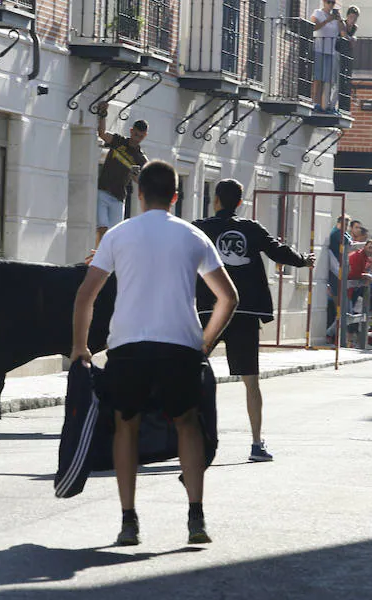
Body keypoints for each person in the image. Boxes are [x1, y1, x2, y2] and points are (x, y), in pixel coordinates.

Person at [71, 160, 238, 546]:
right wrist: (205, 343)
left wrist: (80, 348)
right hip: (180, 345)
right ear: (176, 197)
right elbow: (228, 298)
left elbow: (85, 296)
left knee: (125, 426)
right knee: (187, 424)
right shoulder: (194, 237)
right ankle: (196, 517)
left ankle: (129, 521)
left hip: (128, 346)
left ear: (139, 194)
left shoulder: (117, 235)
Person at [193, 179, 314, 462]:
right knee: (251, 381)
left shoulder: (200, 227)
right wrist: (304, 260)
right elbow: (278, 251)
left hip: (210, 311)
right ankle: (257, 444)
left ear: (216, 201)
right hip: (244, 313)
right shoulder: (251, 228)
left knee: (189, 373)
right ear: (240, 202)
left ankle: (186, 437)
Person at [95, 100, 148, 248]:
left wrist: (135, 176)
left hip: (118, 197)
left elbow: (142, 180)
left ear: (144, 136)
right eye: (135, 135)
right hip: (103, 191)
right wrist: (102, 114)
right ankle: (99, 257)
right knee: (102, 227)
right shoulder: (119, 142)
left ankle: (111, 261)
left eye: (140, 136)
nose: (137, 139)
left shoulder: (141, 158)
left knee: (115, 234)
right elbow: (102, 134)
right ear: (131, 131)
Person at [311, 0, 345, 112]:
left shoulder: (335, 18)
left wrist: (339, 19)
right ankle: (315, 103)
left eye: (333, 3)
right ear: (324, 2)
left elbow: (343, 33)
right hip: (319, 49)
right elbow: (312, 27)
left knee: (327, 80)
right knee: (318, 78)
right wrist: (326, 21)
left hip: (330, 51)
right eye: (328, 2)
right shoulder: (318, 13)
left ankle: (323, 105)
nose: (330, 5)